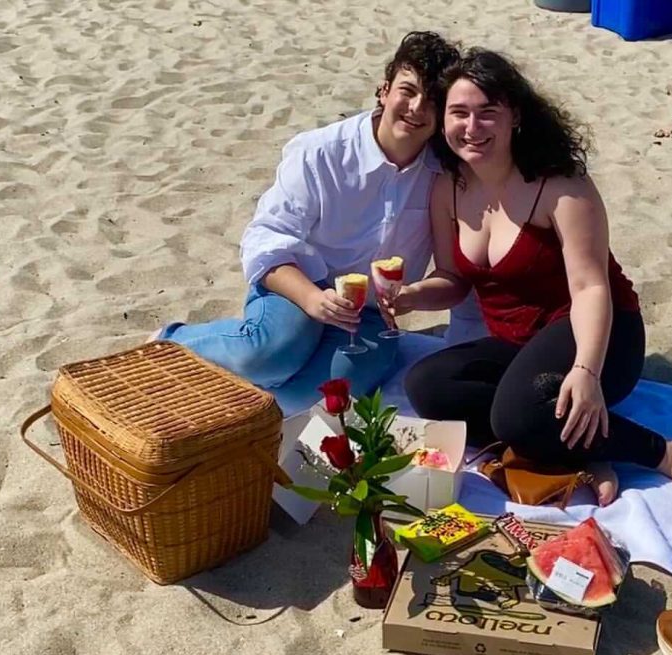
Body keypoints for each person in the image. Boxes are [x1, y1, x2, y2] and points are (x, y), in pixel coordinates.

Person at [388, 49, 672, 520]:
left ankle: (670, 454)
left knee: (514, 417)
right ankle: (580, 446)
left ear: (515, 117)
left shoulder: (560, 186)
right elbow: (451, 280)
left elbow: (592, 288)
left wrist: (587, 373)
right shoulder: (447, 186)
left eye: (488, 112)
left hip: (601, 334)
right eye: (459, 113)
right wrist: (410, 296)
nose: (473, 127)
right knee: (427, 385)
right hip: (520, 343)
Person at [154, 32, 484, 412]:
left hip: (370, 314)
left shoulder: (441, 176)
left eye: (432, 99)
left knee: (315, 399)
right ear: (384, 90)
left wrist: (411, 296)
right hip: (297, 287)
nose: (416, 107)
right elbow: (267, 241)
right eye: (407, 91)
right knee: (267, 355)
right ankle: (173, 339)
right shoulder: (321, 152)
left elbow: (451, 277)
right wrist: (312, 298)